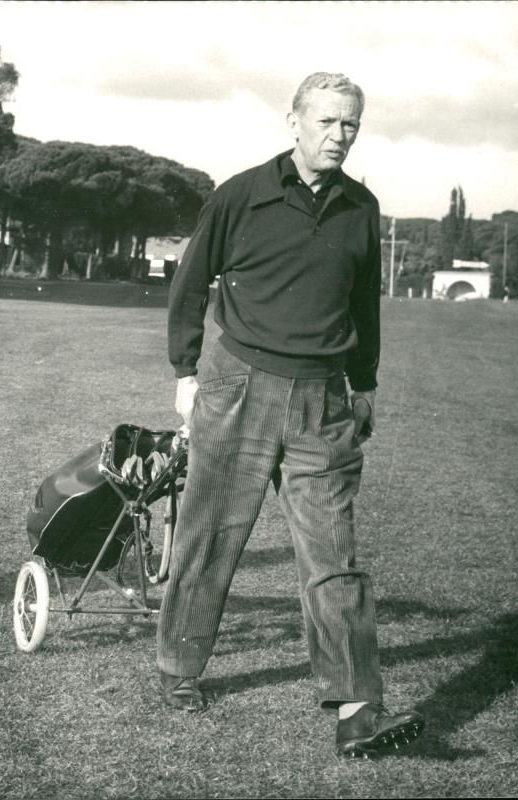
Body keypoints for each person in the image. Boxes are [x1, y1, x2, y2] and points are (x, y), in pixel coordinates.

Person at [156, 72, 424, 759]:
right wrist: (185, 372)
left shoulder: (362, 208)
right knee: (211, 535)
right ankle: (179, 668)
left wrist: (364, 385)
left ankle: (358, 708)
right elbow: (189, 284)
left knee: (334, 553)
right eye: (327, 121)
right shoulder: (240, 194)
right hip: (238, 385)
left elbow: (363, 305)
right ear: (294, 121)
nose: (339, 135)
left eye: (351, 123)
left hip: (323, 401)